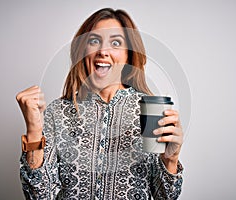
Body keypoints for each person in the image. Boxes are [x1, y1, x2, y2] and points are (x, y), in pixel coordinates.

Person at [16, 8, 184, 200]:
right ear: (82, 52)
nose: (103, 51)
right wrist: (34, 130)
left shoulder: (151, 113)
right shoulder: (57, 112)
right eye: (94, 41)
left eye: (115, 43)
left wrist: (171, 159)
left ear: (129, 55)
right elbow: (39, 195)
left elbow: (165, 197)